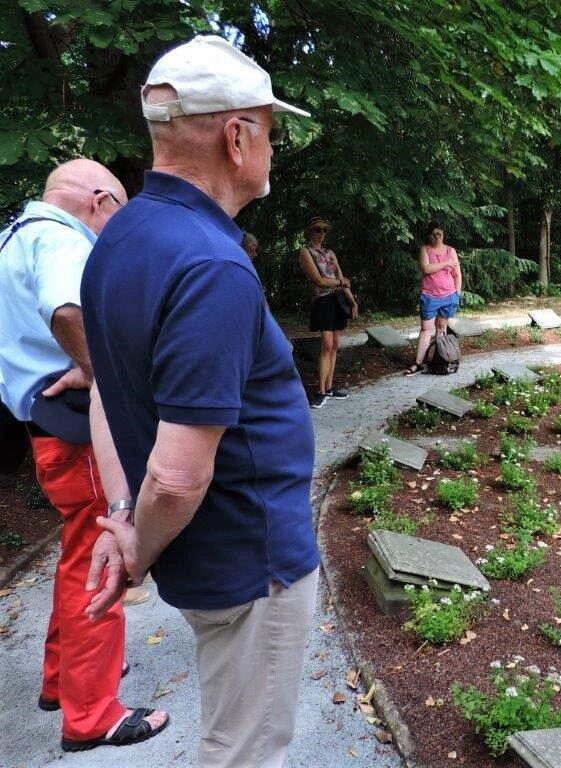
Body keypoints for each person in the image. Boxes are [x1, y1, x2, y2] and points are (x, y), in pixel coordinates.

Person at [79, 36, 321, 768]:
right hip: (250, 563)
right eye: (270, 131)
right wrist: (138, 554)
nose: (273, 149)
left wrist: (123, 521)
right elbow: (179, 475)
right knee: (245, 751)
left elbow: (105, 391)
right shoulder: (213, 265)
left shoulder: (120, 238)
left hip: (211, 562)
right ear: (237, 136)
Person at [0, 158, 168, 751]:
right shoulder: (60, 239)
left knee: (76, 556)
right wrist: (103, 375)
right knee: (104, 558)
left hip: (45, 428)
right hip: (78, 431)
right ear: (101, 201)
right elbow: (66, 308)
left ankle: (61, 682)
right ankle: (93, 713)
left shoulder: (14, 238)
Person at [298, 215, 356, 407]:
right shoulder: (306, 252)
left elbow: (341, 276)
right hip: (322, 300)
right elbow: (319, 280)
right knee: (327, 344)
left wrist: (352, 302)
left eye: (324, 230)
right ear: (310, 231)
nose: (321, 233)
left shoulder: (330, 253)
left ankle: (330, 387)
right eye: (317, 229)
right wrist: (340, 283)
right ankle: (320, 391)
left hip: (337, 300)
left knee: (335, 344)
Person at [405, 221, 462, 375]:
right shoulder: (425, 249)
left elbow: (457, 274)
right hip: (430, 296)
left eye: (440, 233)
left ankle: (440, 360)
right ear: (430, 235)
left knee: (442, 328)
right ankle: (418, 363)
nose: (437, 237)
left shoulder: (451, 251)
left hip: (449, 295)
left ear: (443, 234)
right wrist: (446, 263)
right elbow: (426, 268)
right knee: (425, 329)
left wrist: (457, 294)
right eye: (434, 234)